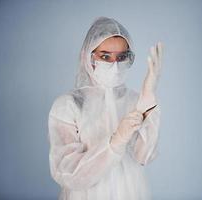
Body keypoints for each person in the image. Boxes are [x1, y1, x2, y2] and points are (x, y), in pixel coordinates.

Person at [48, 16, 162, 200]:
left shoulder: (134, 100)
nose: (115, 65)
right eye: (105, 56)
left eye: (122, 57)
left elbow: (144, 157)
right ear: (89, 56)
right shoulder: (68, 105)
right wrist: (114, 143)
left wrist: (148, 104)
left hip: (130, 192)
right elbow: (67, 173)